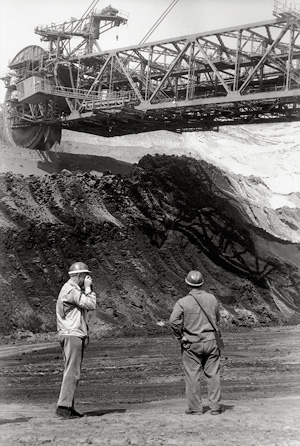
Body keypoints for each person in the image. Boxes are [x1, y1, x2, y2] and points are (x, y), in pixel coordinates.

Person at [169, 270, 222, 415]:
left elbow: (173, 321)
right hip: (211, 341)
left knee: (192, 375)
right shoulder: (212, 299)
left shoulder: (183, 302)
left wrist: (181, 337)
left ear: (187, 284)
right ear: (202, 283)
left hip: (191, 343)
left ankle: (195, 408)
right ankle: (215, 407)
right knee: (213, 374)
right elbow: (217, 318)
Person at [55, 261, 97, 419]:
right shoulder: (71, 291)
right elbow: (91, 304)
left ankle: (68, 406)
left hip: (71, 333)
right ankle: (64, 407)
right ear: (79, 276)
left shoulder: (69, 289)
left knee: (71, 371)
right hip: (72, 334)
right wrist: (88, 289)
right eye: (85, 276)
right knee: (72, 372)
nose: (87, 279)